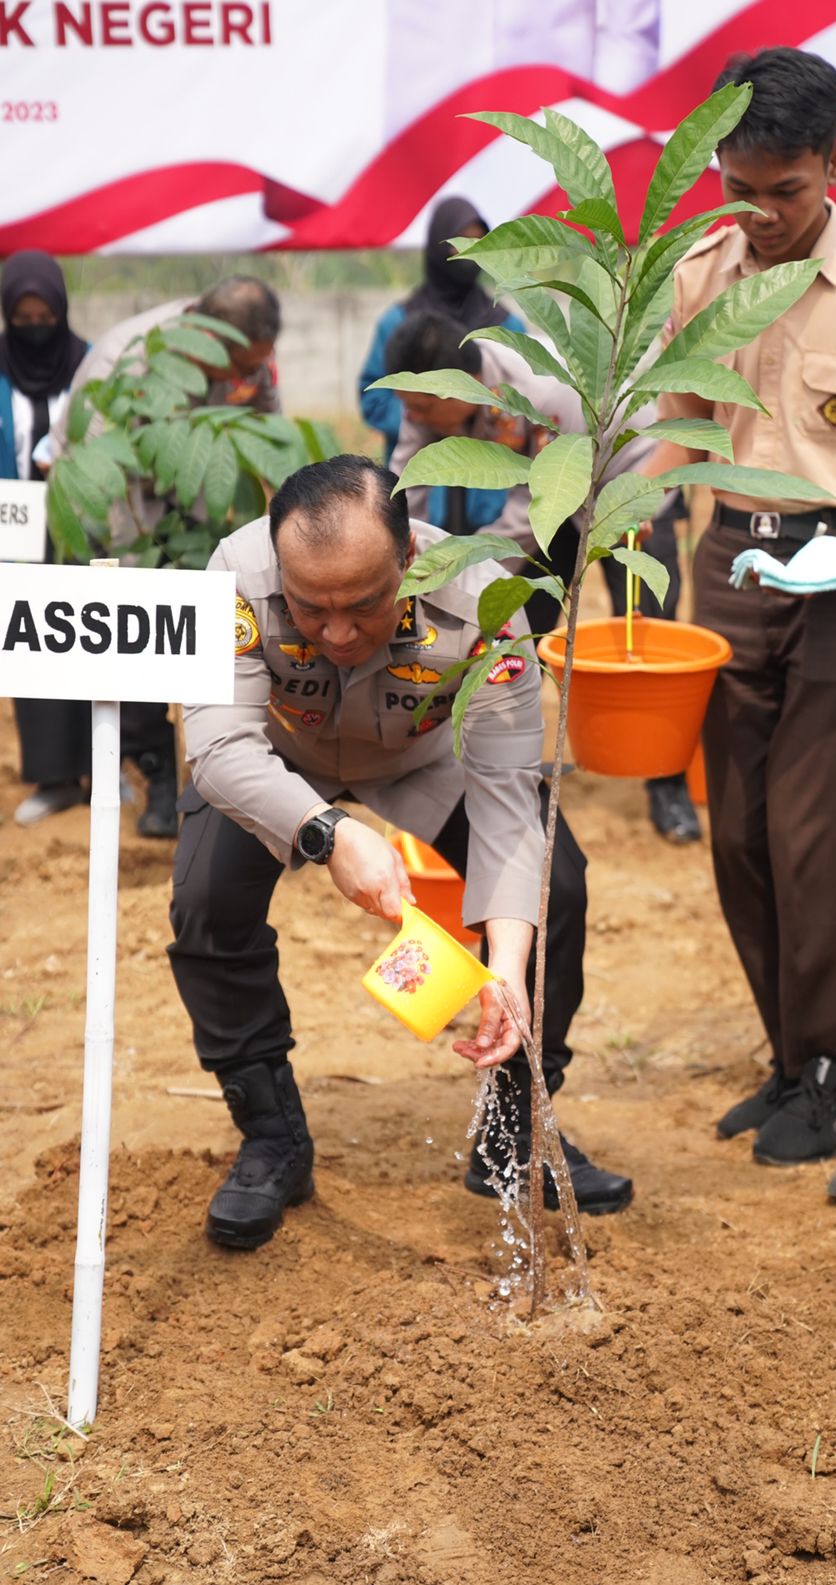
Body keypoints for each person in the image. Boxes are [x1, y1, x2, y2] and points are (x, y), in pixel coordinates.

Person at [167, 454, 633, 1250]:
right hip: (277, 768)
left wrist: (507, 968)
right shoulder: (235, 574)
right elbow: (216, 748)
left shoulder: (489, 598)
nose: (338, 633)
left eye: (365, 605)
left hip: (427, 759)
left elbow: (507, 796)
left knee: (560, 889)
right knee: (207, 906)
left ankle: (513, 1130)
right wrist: (328, 833)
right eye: (311, 610)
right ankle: (272, 1139)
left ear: (410, 558)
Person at [643, 47, 836, 1164]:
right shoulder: (704, 274)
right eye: (734, 188)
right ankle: (790, 1059)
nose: (757, 213)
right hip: (729, 578)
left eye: (782, 190)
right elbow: (681, 422)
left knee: (815, 837)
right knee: (739, 835)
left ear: (835, 163)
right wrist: (617, 503)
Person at [384, 308, 701, 842]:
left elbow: (537, 510)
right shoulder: (430, 399)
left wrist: (459, 575)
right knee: (517, 625)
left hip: (631, 482)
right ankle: (508, 762)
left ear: (452, 394)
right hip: (555, 500)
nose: (412, 419)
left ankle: (666, 786)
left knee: (646, 625)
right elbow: (406, 482)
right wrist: (390, 549)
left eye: (418, 409)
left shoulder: (541, 391)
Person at [48, 275, 283, 838]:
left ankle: (213, 781)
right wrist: (147, 579)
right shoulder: (127, 363)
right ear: (208, 332)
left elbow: (269, 429)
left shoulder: (246, 357)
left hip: (193, 502)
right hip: (110, 510)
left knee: (224, 636)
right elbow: (112, 486)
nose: (243, 379)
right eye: (237, 367)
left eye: (255, 365)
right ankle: (156, 778)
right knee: (141, 648)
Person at [0, 252, 91, 825]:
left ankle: (99, 765)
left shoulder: (87, 363)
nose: (36, 325)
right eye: (24, 315)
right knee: (32, 643)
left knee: (89, 638)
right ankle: (54, 777)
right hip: (14, 525)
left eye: (44, 315)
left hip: (80, 524)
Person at [358, 196, 524, 464]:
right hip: (418, 460)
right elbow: (373, 396)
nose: (467, 255)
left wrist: (472, 416)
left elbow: (523, 396)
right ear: (439, 246)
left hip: (489, 464)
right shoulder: (399, 323)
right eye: (459, 243)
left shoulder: (505, 325)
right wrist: (426, 415)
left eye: (478, 244)